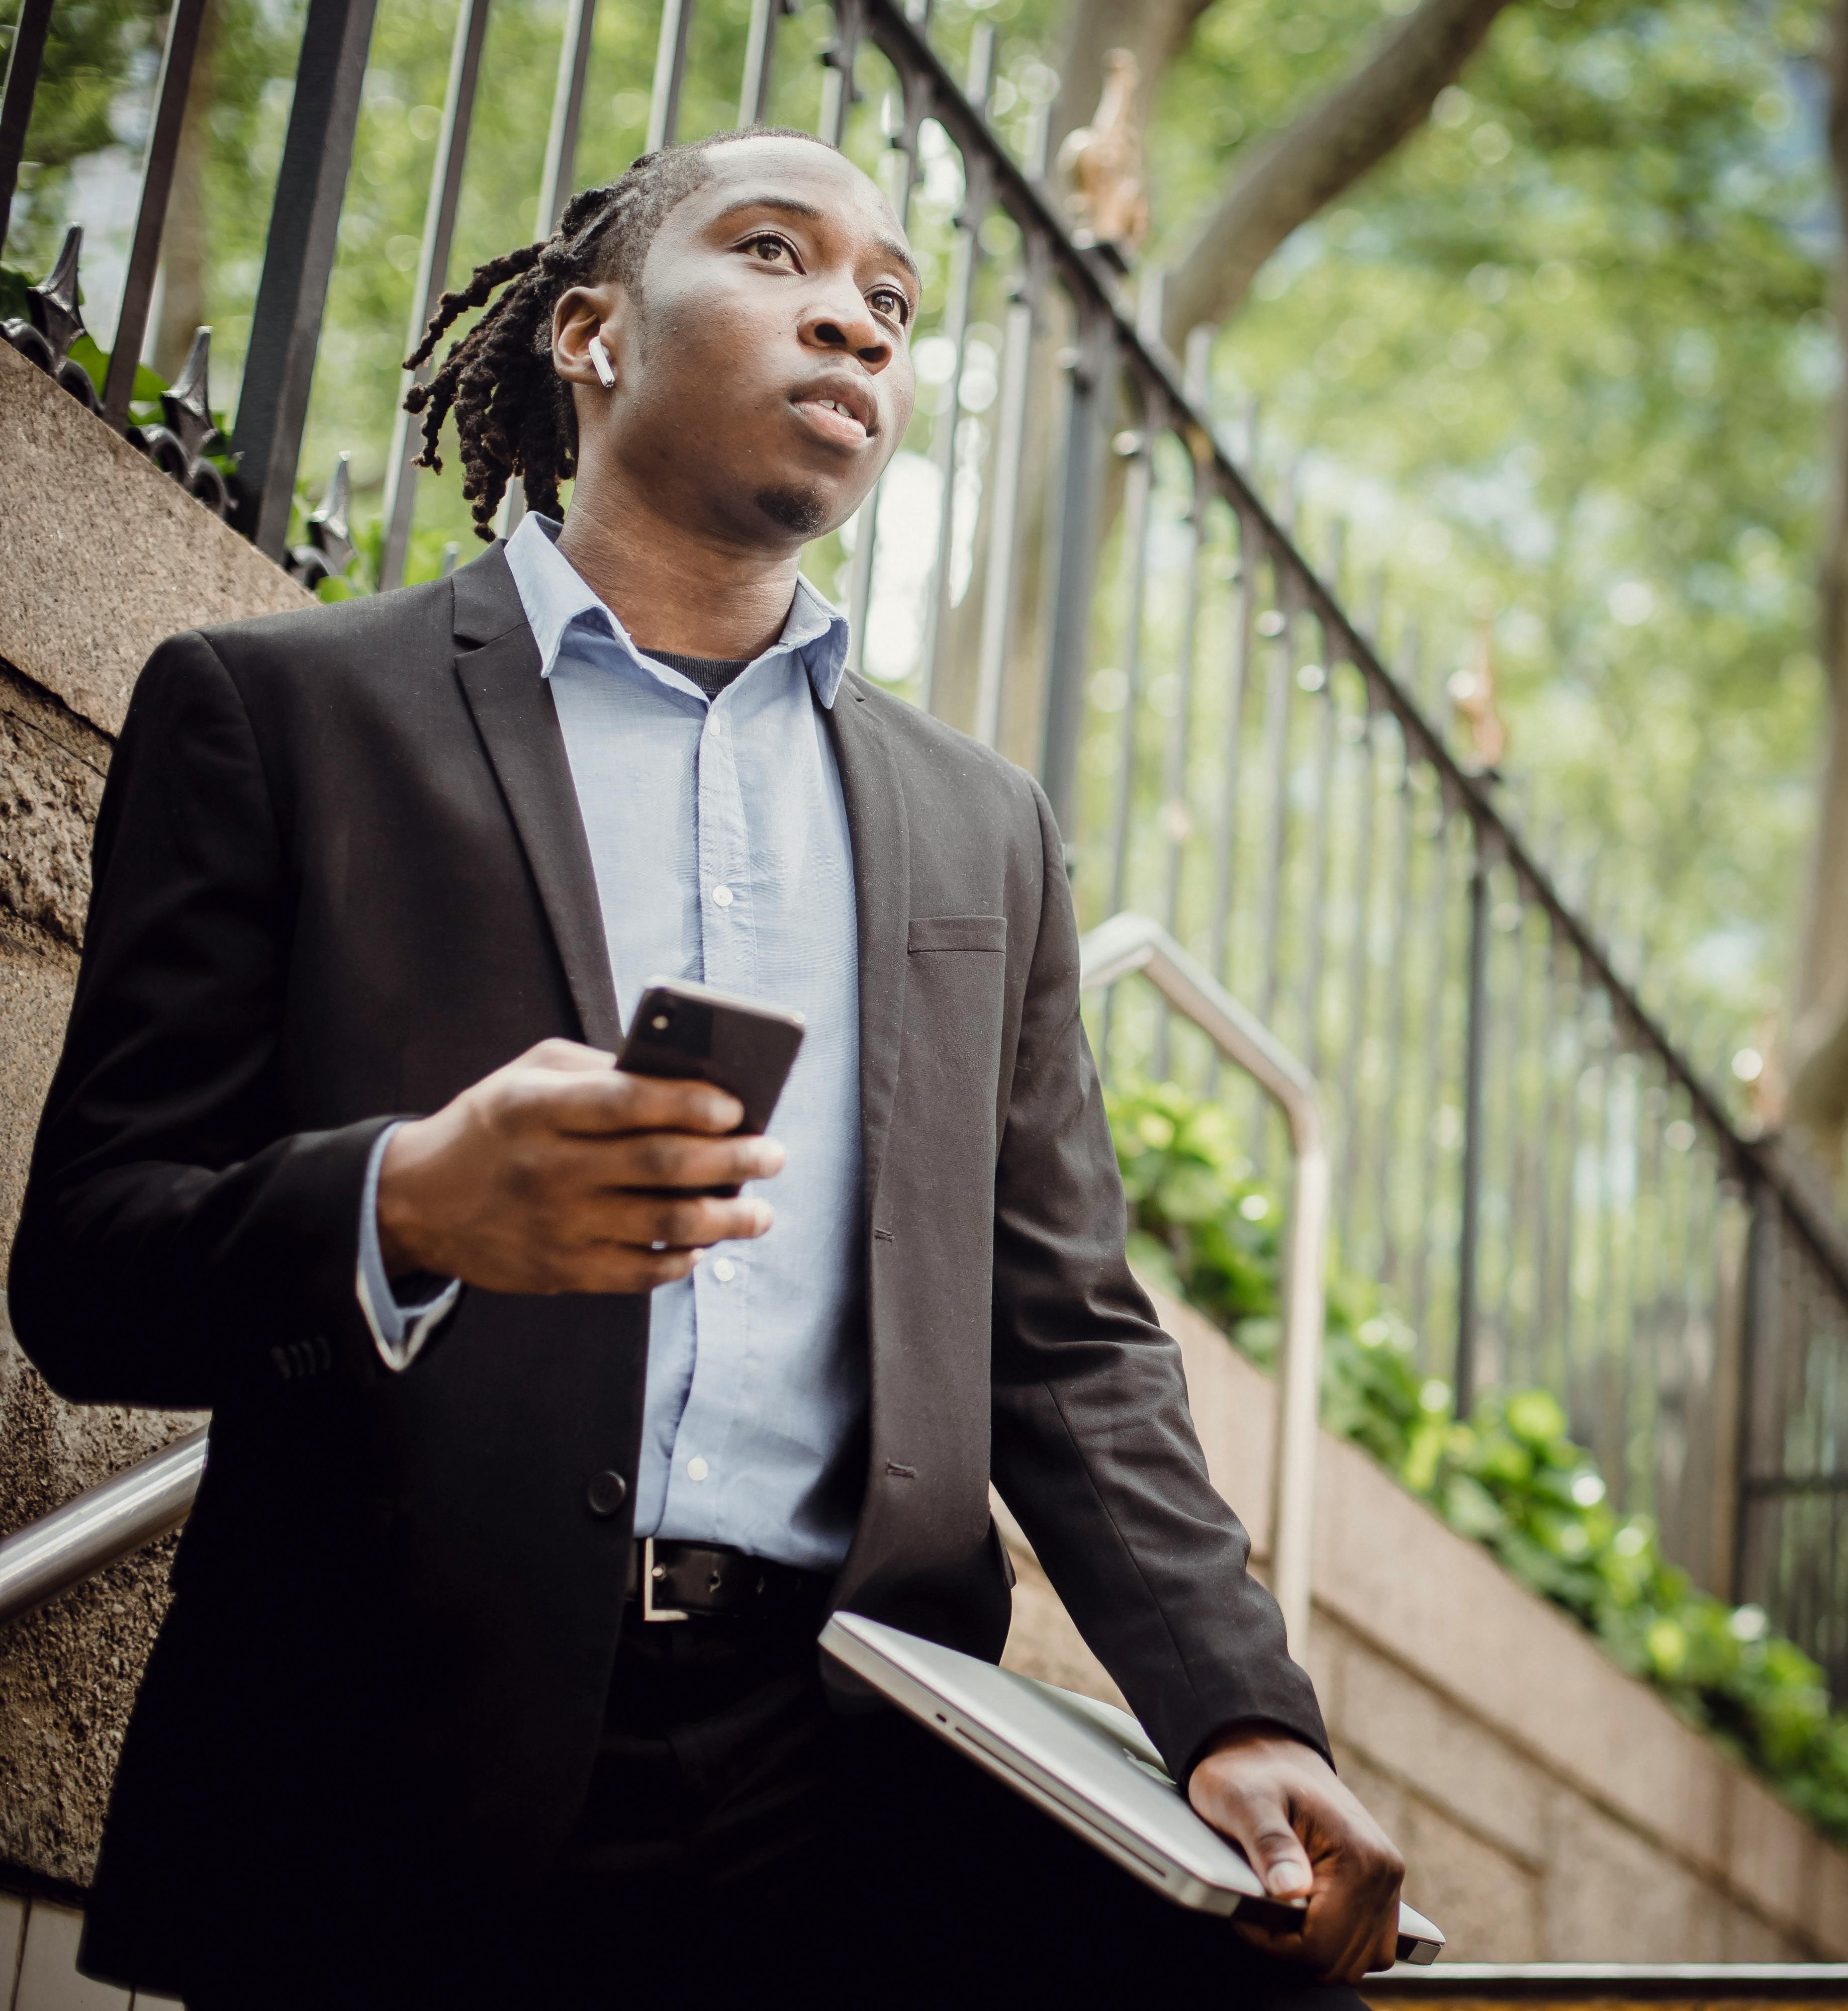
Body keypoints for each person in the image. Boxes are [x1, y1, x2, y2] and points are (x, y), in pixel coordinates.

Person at [10, 126, 1402, 2007]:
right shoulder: (279, 714)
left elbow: (1065, 1332)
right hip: (380, 1762)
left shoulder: (983, 829)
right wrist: (402, 1203)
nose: (855, 318)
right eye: (775, 254)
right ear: (591, 333)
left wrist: (1242, 1707)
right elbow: (92, 1266)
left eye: (894, 304)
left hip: (849, 1783)